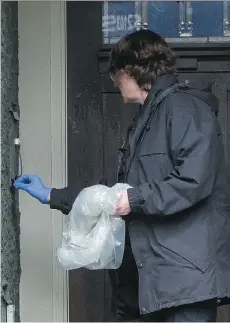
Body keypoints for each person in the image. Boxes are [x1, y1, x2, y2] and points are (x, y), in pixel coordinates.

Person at [14, 30, 230, 322]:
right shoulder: (147, 118)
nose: (115, 85)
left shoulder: (185, 110)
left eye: (116, 77)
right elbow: (114, 193)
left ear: (132, 70)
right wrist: (54, 195)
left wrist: (135, 199)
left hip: (184, 284)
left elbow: (193, 181)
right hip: (149, 284)